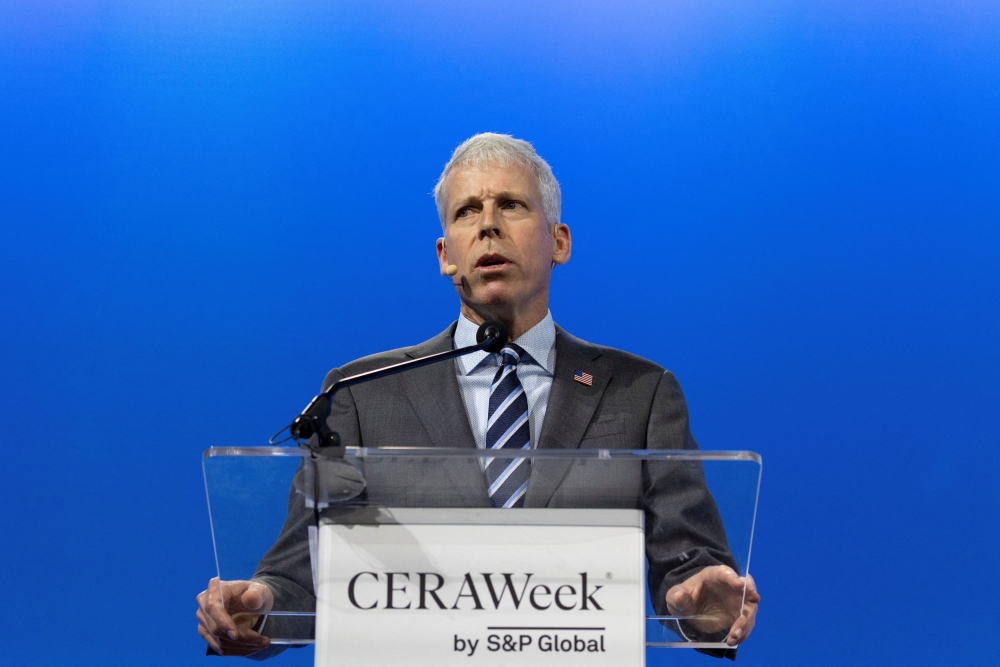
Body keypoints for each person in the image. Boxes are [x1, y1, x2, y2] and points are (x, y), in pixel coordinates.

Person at [196, 133, 760, 659]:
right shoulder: (360, 395)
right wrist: (259, 607)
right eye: (467, 212)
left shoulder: (639, 393)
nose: (488, 226)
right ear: (446, 254)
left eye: (511, 205)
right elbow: (300, 576)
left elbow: (689, 565)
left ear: (559, 241)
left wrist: (704, 605)